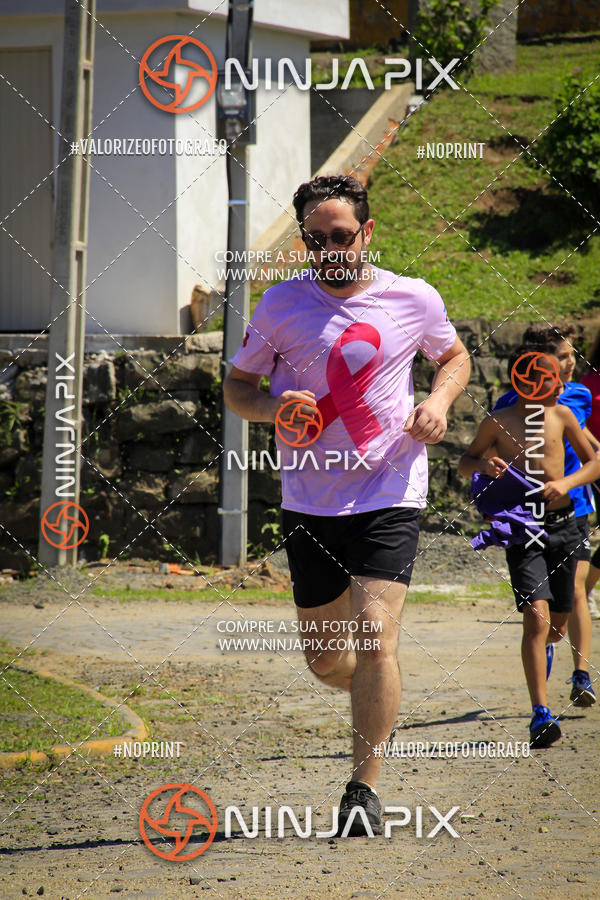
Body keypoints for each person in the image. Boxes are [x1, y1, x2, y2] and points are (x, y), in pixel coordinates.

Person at [224, 174, 470, 835]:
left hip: (390, 490)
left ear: (366, 233)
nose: (329, 247)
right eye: (315, 238)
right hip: (311, 499)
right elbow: (237, 390)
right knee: (327, 658)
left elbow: (453, 357)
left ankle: (364, 785)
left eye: (341, 235)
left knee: (374, 634)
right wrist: (274, 406)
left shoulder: (412, 298)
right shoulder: (278, 305)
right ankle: (375, 700)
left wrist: (439, 403)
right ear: (304, 240)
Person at [458, 345, 600, 748]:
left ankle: (552, 653)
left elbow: (595, 462)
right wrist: (484, 466)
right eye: (552, 383)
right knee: (535, 620)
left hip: (565, 524)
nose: (559, 389)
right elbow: (465, 462)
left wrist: (567, 484)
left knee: (557, 623)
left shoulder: (562, 415)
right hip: (525, 528)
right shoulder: (498, 423)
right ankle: (540, 714)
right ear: (528, 387)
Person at [493, 324, 599, 706]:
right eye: (564, 357)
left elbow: (585, 442)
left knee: (574, 591)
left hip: (577, 506)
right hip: (532, 516)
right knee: (547, 620)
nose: (572, 363)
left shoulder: (580, 395)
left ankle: (582, 675)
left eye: (573, 356)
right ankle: (548, 648)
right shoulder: (509, 405)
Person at [582, 327, 600, 618]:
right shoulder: (587, 384)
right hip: (593, 466)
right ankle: (582, 590)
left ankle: (584, 589)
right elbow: (577, 425)